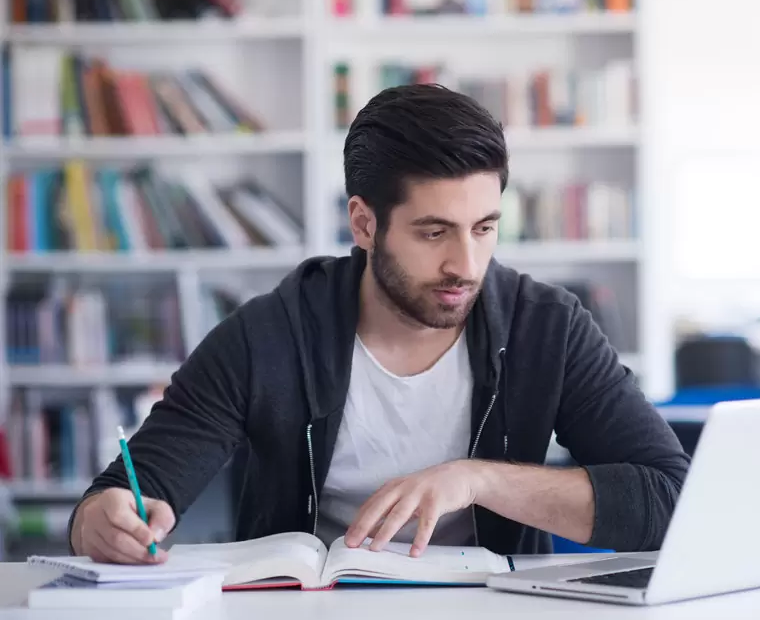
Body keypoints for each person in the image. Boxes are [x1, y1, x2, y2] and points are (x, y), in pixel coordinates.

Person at [68, 84, 691, 564]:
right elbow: (127, 489)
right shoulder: (266, 336)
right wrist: (103, 518)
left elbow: (670, 500)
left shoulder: (546, 329)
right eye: (433, 232)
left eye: (484, 228)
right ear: (363, 224)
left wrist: (477, 480)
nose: (465, 265)